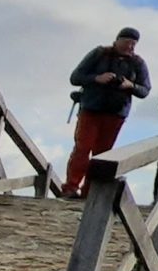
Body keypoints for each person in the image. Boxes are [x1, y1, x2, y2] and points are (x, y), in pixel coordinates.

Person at [64, 27, 151, 197]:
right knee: (83, 148)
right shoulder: (99, 53)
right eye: (127, 42)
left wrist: (130, 85)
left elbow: (145, 90)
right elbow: (75, 77)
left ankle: (89, 192)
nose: (130, 47)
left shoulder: (137, 63)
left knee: (102, 154)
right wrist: (97, 78)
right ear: (117, 40)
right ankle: (71, 187)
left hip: (116, 113)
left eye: (133, 44)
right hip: (91, 108)